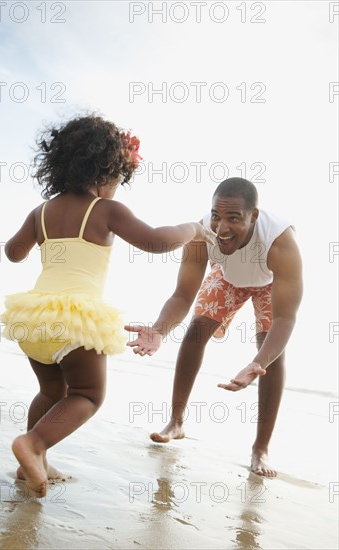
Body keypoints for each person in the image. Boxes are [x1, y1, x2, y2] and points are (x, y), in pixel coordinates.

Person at [0, 115, 215, 497]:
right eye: (118, 178)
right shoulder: (105, 210)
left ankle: (31, 464)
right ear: (105, 171)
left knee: (52, 393)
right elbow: (155, 241)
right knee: (87, 394)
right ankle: (32, 446)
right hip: (75, 322)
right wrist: (194, 229)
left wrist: (33, 236)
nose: (117, 187)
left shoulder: (41, 211)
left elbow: (13, 253)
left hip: (32, 320)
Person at [126, 177, 303, 477]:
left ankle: (260, 449)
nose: (222, 228)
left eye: (234, 218)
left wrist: (257, 363)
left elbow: (286, 318)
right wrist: (158, 330)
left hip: (268, 283)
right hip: (229, 278)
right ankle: (176, 422)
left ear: (254, 216)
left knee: (272, 354)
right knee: (197, 327)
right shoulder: (203, 234)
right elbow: (183, 295)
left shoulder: (280, 241)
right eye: (217, 216)